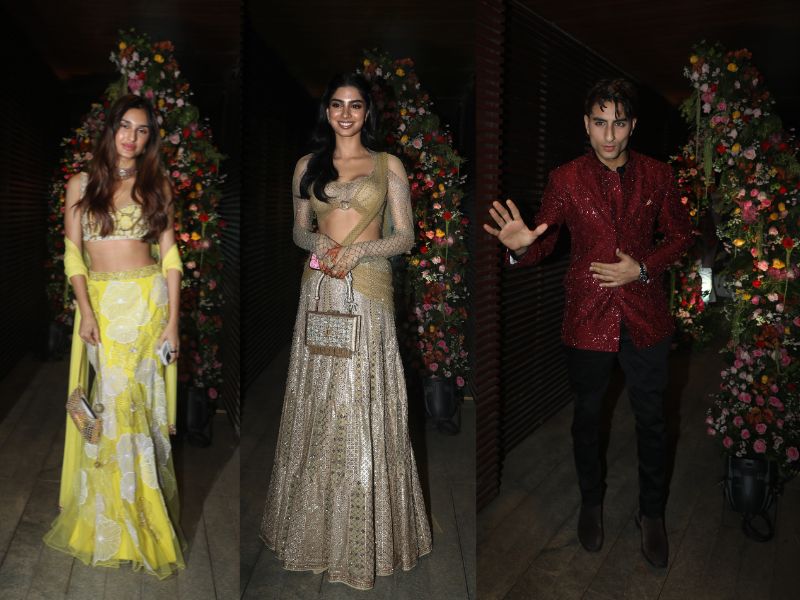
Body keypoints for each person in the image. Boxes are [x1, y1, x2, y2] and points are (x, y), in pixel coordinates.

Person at [484, 79, 692, 568]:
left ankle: (652, 513)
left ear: (632, 125)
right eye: (600, 123)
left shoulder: (659, 175)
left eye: (618, 123)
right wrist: (521, 248)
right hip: (587, 317)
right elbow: (543, 240)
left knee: (652, 420)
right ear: (586, 124)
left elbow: (681, 236)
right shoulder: (566, 179)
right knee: (587, 418)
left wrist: (642, 267)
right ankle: (591, 503)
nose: (609, 135)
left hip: (645, 315)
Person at [260, 73, 432, 590]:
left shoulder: (388, 165)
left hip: (368, 290)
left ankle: (363, 534)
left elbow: (405, 236)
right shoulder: (306, 166)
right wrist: (321, 246)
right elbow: (298, 229)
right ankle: (311, 529)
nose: (346, 114)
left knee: (360, 398)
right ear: (327, 112)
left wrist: (357, 251)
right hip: (319, 289)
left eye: (355, 105)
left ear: (367, 113)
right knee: (319, 399)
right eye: (337, 105)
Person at [44, 94, 185, 579]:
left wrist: (173, 321)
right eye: (125, 126)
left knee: (133, 408)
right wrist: (85, 311)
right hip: (102, 308)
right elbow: (73, 255)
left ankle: (138, 523)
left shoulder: (157, 185)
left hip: (147, 305)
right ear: (110, 129)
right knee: (110, 407)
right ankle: (110, 519)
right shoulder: (80, 184)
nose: (132, 137)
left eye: (142, 130)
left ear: (150, 139)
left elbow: (170, 255)